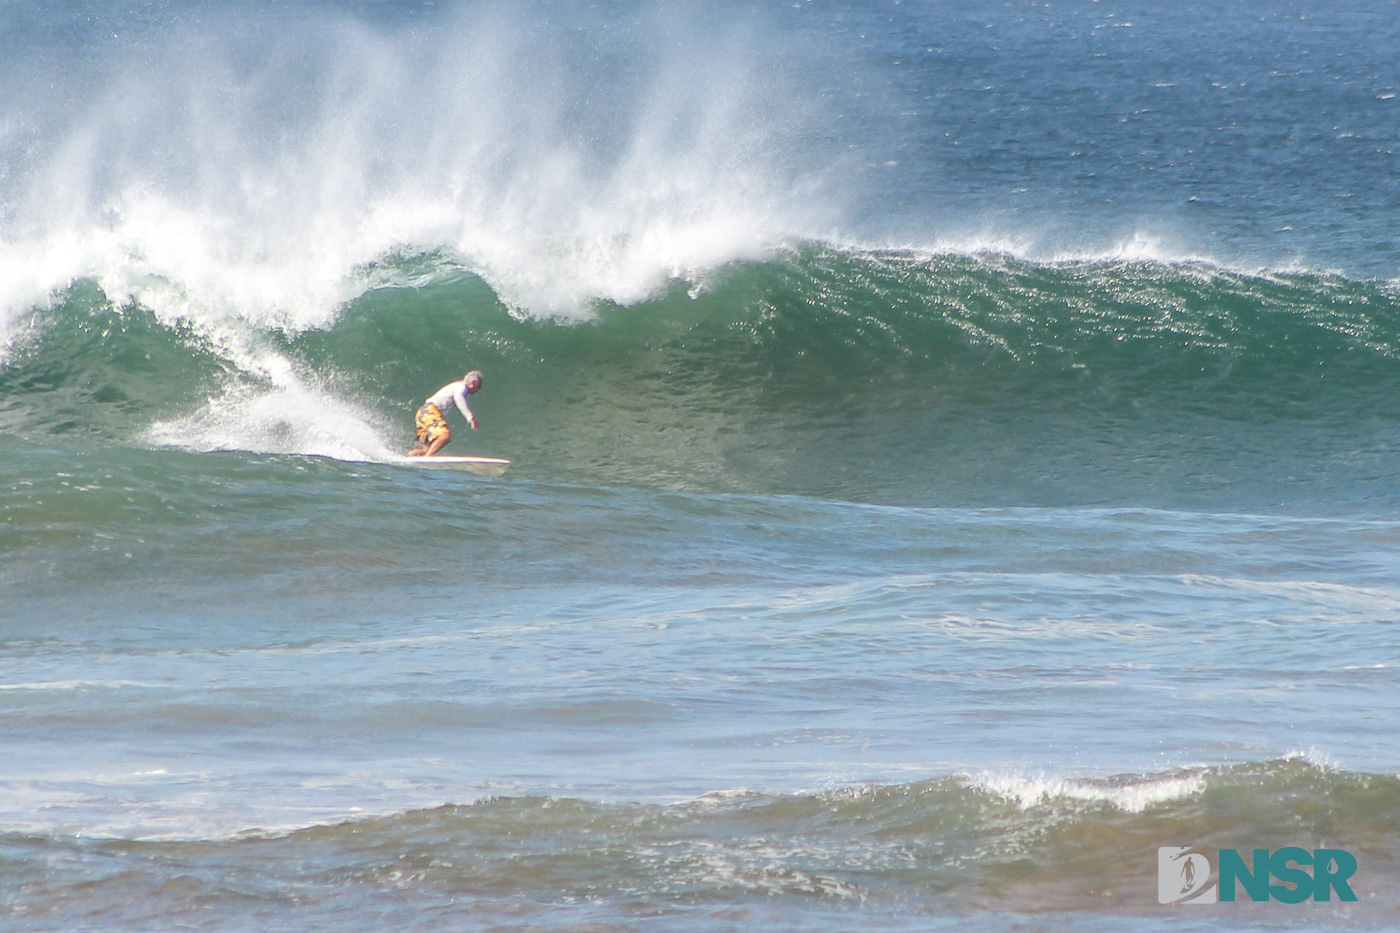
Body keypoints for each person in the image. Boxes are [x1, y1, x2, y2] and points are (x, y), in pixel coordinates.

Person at [407, 370, 483, 457]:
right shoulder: (462, 386)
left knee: (426, 449)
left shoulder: (456, 386)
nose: (479, 389)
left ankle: (406, 457)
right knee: (445, 436)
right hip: (430, 411)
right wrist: (470, 418)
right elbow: (459, 397)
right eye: (479, 386)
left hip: (422, 413)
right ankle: (428, 458)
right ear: (473, 383)